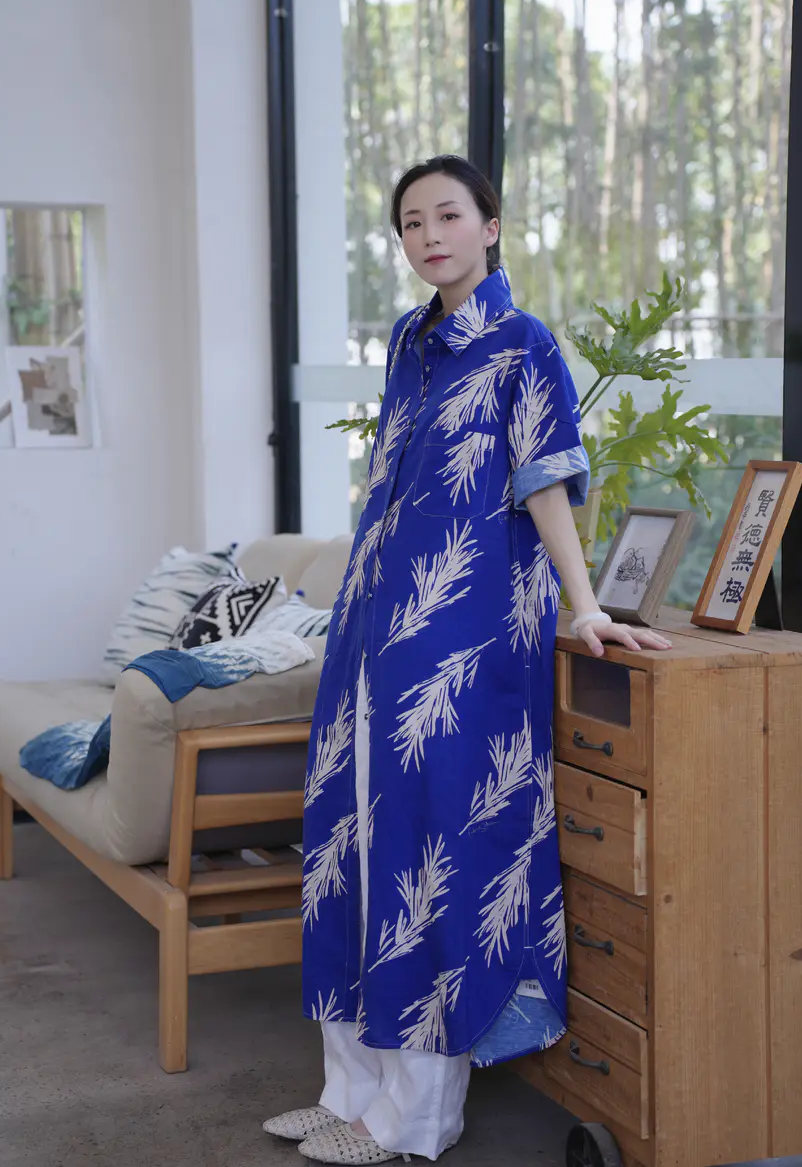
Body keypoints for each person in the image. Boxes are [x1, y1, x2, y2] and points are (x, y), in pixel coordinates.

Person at [264, 155, 672, 1165]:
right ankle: (351, 1091)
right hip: (370, 629)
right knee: (350, 844)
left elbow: (546, 483)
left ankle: (415, 1118)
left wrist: (585, 607)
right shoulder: (409, 340)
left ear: (490, 225)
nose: (429, 235)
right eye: (411, 222)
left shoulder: (526, 344)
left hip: (464, 638)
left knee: (427, 857)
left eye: (448, 215)